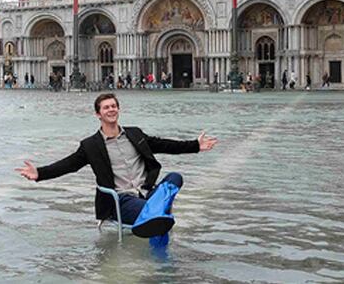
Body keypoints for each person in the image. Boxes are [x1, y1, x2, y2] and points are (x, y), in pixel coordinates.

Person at [16, 93, 218, 236]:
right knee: (152, 209)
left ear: (118, 109)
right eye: (106, 107)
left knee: (175, 177)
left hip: (146, 192)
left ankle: (154, 214)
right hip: (120, 200)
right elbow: (69, 164)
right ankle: (155, 215)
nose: (111, 109)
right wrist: (39, 173)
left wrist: (195, 146)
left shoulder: (135, 134)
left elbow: (164, 144)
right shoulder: (91, 145)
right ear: (98, 114)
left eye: (114, 106)